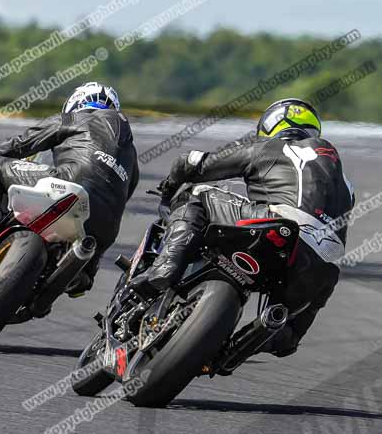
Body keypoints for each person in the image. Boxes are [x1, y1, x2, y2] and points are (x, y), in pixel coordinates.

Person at [135, 98, 354, 358]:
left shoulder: (269, 145)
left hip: (280, 225)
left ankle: (166, 267)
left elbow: (193, 164)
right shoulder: (346, 184)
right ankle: (242, 347)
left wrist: (169, 186)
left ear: (271, 125)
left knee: (199, 193)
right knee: (287, 338)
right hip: (324, 265)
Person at [0, 82, 140, 297]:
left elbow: (21, 144)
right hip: (105, 226)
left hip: (68, 186)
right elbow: (123, 196)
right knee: (94, 243)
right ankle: (83, 274)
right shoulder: (132, 156)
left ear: (76, 102)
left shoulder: (77, 117)